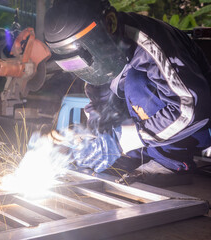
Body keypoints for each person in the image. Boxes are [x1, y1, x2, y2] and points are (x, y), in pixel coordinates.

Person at [44, 0, 211, 176]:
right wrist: (90, 136)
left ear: (109, 24)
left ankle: (170, 162)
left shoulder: (147, 42)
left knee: (135, 81)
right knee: (114, 88)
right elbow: (99, 100)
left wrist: (120, 140)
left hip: (195, 128)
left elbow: (189, 107)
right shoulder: (103, 56)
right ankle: (133, 156)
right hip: (159, 132)